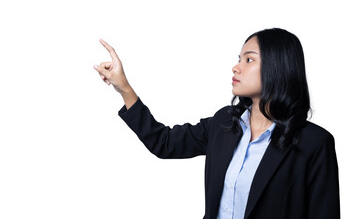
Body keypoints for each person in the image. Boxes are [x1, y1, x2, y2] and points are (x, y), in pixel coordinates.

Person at [93, 28, 340, 219]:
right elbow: (164, 142)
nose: (236, 67)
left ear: (278, 67)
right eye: (239, 58)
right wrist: (124, 88)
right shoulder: (224, 123)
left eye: (249, 60)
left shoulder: (314, 144)